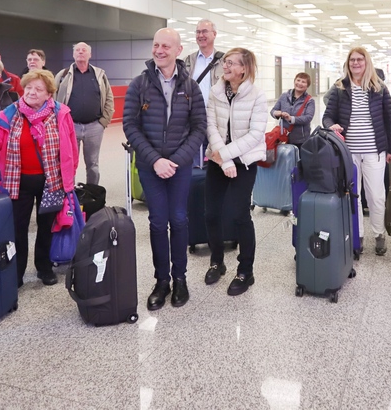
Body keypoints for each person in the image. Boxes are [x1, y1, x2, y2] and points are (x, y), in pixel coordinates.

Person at [123, 28, 206, 310]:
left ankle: (180, 278)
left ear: (178, 51)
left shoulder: (190, 87)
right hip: (150, 167)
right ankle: (161, 281)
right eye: (156, 45)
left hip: (180, 166)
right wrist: (155, 160)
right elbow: (130, 126)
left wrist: (178, 160)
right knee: (158, 222)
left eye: (166, 46)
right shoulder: (140, 84)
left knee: (179, 220)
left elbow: (199, 128)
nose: (159, 50)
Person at [0, 70, 79, 288]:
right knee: (18, 228)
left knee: (46, 227)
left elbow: (71, 146)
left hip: (52, 180)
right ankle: (16, 271)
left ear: (49, 94)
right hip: (18, 181)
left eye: (38, 89)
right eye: (28, 88)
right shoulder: (11, 112)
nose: (32, 93)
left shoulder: (61, 113)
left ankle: (44, 267)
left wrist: (69, 177)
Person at [322, 47, 391, 256]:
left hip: (375, 150)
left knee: (376, 195)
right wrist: (331, 126)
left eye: (360, 60)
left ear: (367, 63)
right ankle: (358, 235)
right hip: (348, 152)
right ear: (348, 64)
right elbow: (327, 116)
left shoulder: (379, 88)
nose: (355, 63)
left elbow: (390, 120)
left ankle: (378, 233)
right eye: (352, 60)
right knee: (352, 195)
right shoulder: (340, 88)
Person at [204, 48, 268, 296]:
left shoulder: (258, 96)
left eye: (231, 63)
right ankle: (217, 262)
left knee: (239, 215)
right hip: (219, 159)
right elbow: (211, 126)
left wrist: (229, 156)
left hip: (245, 161)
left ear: (244, 68)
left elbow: (255, 135)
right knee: (211, 214)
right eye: (225, 62)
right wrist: (223, 159)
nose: (225, 66)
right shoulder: (215, 91)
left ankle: (246, 271)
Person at [54, 42, 114, 185]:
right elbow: (53, 99)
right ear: (73, 55)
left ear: (90, 55)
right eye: (78, 50)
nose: (81, 52)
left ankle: (92, 192)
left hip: (94, 126)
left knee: (93, 164)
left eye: (84, 50)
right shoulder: (62, 75)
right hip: (70, 127)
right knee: (69, 162)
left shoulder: (100, 74)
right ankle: (70, 195)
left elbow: (109, 98)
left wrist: (103, 122)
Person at [183, 19, 225, 102]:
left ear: (214, 34)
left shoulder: (224, 61)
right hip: (193, 112)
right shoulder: (187, 61)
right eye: (198, 32)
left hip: (216, 113)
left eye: (204, 31)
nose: (200, 35)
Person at [270, 72, 315, 145]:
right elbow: (273, 110)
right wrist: (277, 113)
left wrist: (291, 119)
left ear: (307, 86)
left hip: (301, 140)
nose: (300, 83)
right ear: (294, 81)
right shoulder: (284, 96)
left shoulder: (309, 101)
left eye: (303, 82)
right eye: (298, 80)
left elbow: (308, 117)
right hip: (283, 137)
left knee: (299, 156)